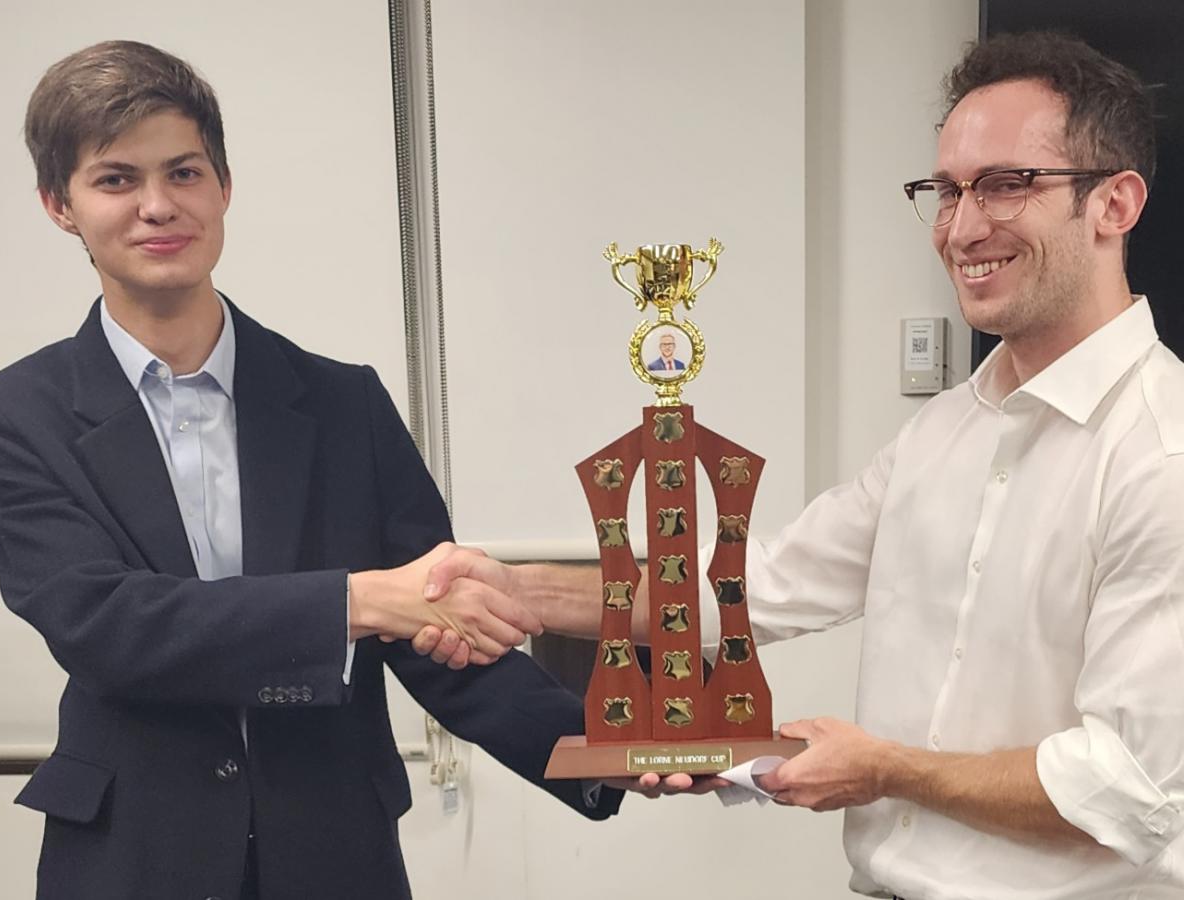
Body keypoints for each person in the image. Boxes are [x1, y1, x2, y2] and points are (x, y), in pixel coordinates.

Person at [418, 32, 1184, 898]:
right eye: (945, 190)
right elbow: (755, 588)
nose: (963, 227)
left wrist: (888, 770)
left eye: (1008, 184)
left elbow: (1127, 788)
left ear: (1114, 204)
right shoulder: (942, 435)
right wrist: (519, 593)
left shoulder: (1160, 455)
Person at [0, 40, 691, 900]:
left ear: (225, 186)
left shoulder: (341, 401)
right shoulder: (17, 414)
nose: (158, 206)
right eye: (117, 180)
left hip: (332, 847)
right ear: (61, 206)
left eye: (184, 171)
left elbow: (439, 634)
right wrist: (360, 600)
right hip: (133, 852)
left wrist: (598, 749)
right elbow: (107, 625)